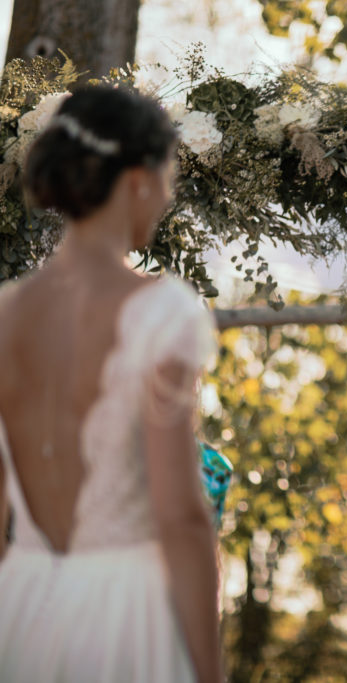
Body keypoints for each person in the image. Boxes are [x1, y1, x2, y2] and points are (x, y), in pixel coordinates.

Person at [0, 86, 222, 682]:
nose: (168, 194)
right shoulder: (161, 311)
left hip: (20, 607)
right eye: (167, 175)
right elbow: (179, 513)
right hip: (126, 614)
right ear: (136, 181)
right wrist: (210, 671)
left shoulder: (4, 316)